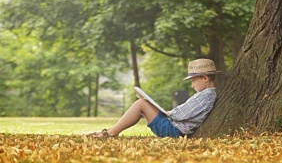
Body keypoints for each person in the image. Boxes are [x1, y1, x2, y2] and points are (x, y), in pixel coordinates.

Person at [87, 58, 218, 138]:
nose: (192, 85)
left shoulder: (205, 97)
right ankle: (110, 131)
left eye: (194, 80)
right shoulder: (205, 95)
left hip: (173, 130)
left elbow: (179, 115)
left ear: (205, 78)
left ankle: (110, 134)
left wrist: (166, 112)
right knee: (142, 104)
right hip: (173, 127)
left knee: (141, 104)